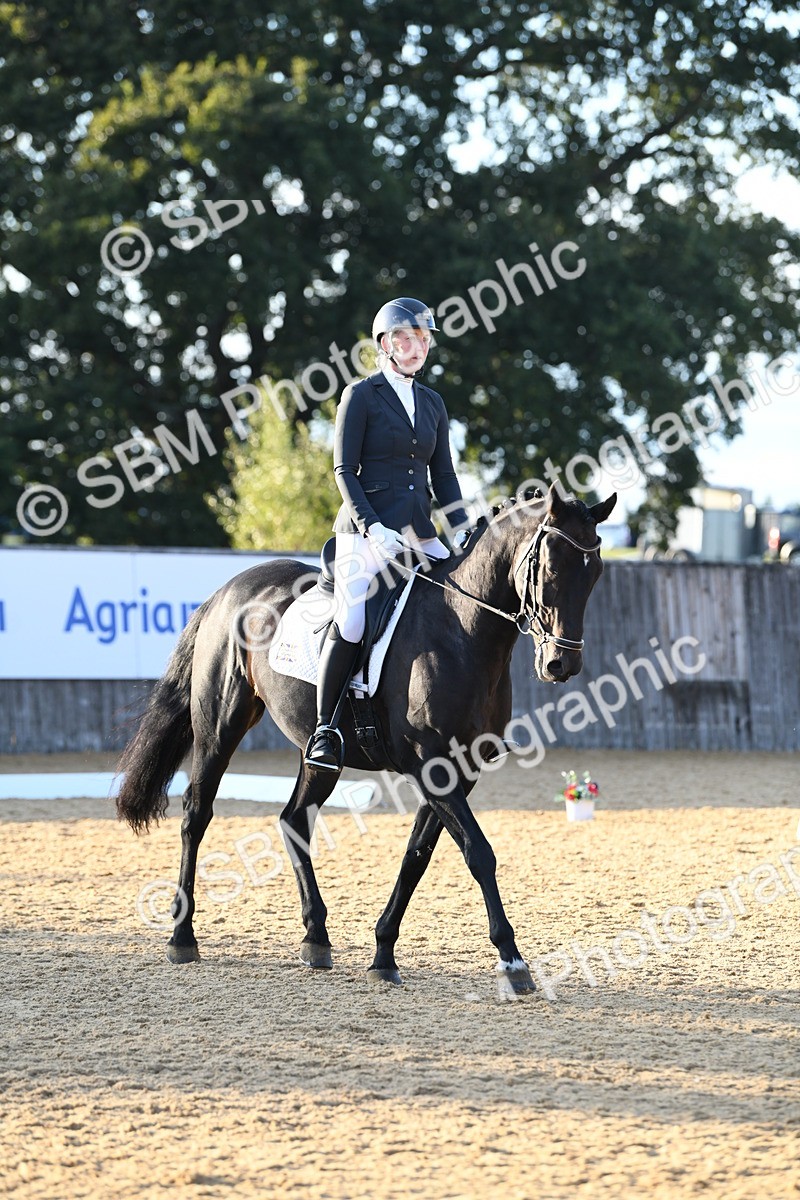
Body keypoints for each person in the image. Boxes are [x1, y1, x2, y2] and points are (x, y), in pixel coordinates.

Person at [304, 296, 469, 771]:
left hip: (420, 531)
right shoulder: (361, 395)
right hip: (365, 531)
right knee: (353, 620)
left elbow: (447, 479)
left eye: (423, 339)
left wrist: (464, 532)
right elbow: (343, 468)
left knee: (469, 598)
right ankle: (324, 731)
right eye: (405, 338)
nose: (416, 347)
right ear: (384, 344)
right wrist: (372, 526)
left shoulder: (434, 403)